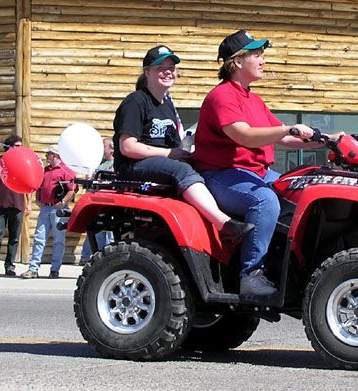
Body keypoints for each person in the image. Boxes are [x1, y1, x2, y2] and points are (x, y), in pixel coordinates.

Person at [192, 30, 336, 297]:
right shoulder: (222, 96)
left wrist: (327, 140)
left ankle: (295, 269)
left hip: (255, 172)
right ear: (236, 62)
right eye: (256, 55)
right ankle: (251, 276)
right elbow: (243, 135)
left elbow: (285, 138)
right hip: (220, 174)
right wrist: (288, 129)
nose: (263, 61)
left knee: (302, 192)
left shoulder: (253, 99)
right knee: (264, 200)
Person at [113, 45, 253, 245]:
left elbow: (178, 144)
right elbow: (128, 147)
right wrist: (171, 154)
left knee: (202, 166)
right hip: (133, 166)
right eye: (160, 67)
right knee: (180, 170)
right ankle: (224, 224)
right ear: (147, 72)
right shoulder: (136, 102)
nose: (168, 72)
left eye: (171, 67)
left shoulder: (167, 105)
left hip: (161, 163)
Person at [20, 145, 78, 279]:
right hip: (46, 207)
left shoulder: (66, 170)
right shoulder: (44, 171)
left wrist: (63, 202)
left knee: (59, 240)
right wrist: (37, 199)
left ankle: (55, 269)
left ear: (55, 155)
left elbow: (72, 189)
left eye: (49, 154)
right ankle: (33, 268)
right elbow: (38, 186)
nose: (46, 157)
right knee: (39, 238)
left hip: (59, 209)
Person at [0, 135, 30, 277]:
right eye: (18, 146)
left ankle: (10, 266)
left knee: (14, 238)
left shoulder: (23, 163)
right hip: (0, 206)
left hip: (17, 205)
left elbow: (29, 185)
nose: (21, 149)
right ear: (9, 147)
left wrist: (29, 203)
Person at [80, 138, 115, 265]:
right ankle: (92, 259)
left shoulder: (116, 164)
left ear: (111, 149)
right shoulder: (97, 164)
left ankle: (110, 259)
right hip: (96, 205)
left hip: (110, 205)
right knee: (96, 233)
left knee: (110, 235)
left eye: (103, 146)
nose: (101, 149)